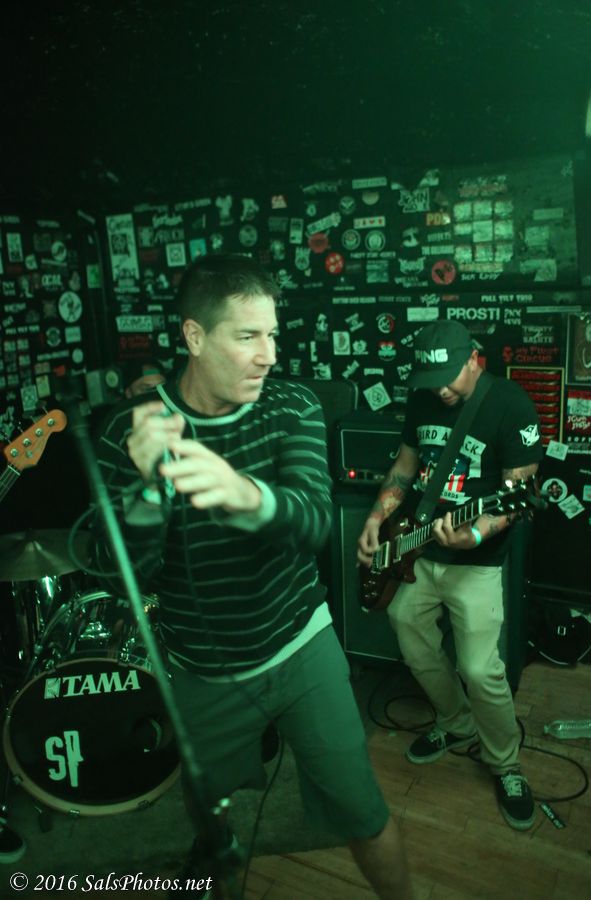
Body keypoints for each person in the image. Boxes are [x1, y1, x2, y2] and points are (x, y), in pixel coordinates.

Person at [91, 255, 413, 899]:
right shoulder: (129, 431)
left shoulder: (290, 404)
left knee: (362, 810)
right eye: (247, 336)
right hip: (201, 672)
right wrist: (148, 492)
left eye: (272, 334)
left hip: (300, 647)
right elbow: (124, 571)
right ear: (194, 336)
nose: (269, 355)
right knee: (209, 819)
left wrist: (244, 494)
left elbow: (314, 522)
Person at [357, 320, 543, 831]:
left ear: (473, 360)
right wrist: (375, 518)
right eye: (430, 379)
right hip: (418, 548)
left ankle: (505, 763)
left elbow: (517, 494)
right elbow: (405, 467)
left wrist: (475, 534)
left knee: (480, 669)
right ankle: (455, 722)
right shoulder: (422, 400)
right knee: (411, 638)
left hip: (475, 561)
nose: (439, 389)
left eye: (447, 378)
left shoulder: (510, 405)